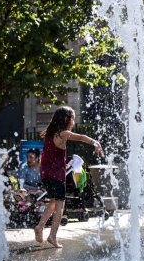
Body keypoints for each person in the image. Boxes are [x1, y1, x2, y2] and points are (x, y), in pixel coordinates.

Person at [34, 106, 104, 248]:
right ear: (66, 119)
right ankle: (52, 236)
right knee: (60, 204)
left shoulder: (50, 133)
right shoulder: (62, 133)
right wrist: (95, 142)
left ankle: (40, 226)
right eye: (72, 119)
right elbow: (81, 137)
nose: (73, 122)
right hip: (56, 174)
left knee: (53, 201)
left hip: (46, 173)